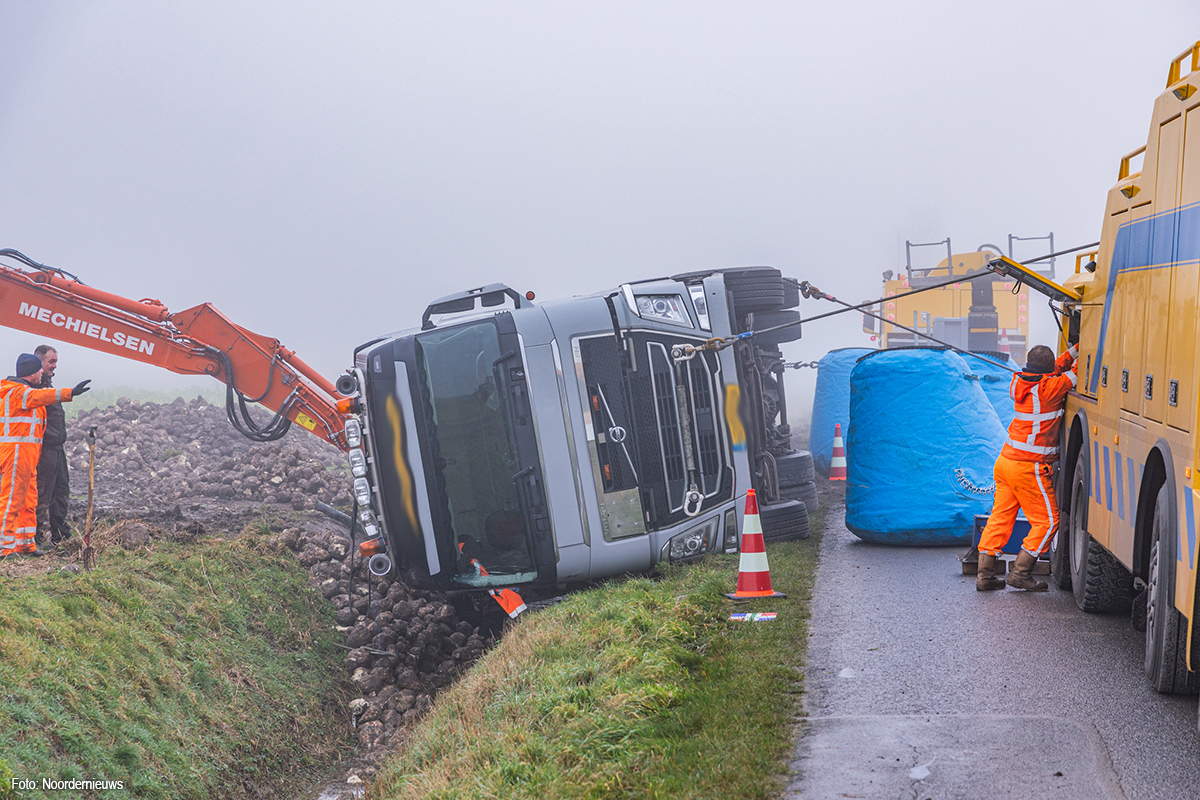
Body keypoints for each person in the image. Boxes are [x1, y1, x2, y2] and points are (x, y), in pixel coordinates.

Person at [976, 343, 1078, 591]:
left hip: (1005, 462)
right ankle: (1021, 573)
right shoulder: (1049, 389)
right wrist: (1087, 349)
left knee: (1000, 518)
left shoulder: (1019, 382)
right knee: (1048, 521)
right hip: (1028, 466)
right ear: (1047, 371)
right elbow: (1077, 372)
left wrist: (1074, 349)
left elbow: (1057, 367)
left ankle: (985, 575)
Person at [0, 353, 89, 559]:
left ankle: (25, 544)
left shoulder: (22, 392)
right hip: (16, 454)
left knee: (29, 500)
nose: (42, 372)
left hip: (28, 455)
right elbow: (40, 397)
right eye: (40, 369)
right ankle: (4, 548)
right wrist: (70, 393)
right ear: (32, 372)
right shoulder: (18, 393)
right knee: (12, 499)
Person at [34, 345, 72, 549]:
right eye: (51, 362)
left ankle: (60, 536)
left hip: (57, 448)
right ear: (39, 362)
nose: (55, 366)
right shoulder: (34, 389)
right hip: (44, 450)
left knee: (61, 490)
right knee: (42, 494)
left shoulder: (47, 386)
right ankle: (35, 538)